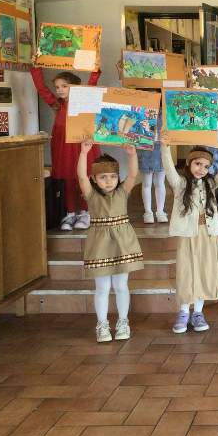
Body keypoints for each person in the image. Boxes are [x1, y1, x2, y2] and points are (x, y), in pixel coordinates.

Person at [160, 136, 218, 334]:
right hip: (188, 236)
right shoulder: (180, 184)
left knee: (204, 271)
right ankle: (183, 312)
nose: (201, 169)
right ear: (189, 163)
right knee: (186, 272)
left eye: (206, 166)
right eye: (198, 164)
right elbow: (168, 167)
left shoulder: (211, 184)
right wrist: (165, 146)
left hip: (208, 235)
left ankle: (198, 313)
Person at [76, 143, 143, 343]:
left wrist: (132, 154)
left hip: (123, 243)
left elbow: (133, 174)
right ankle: (102, 324)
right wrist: (84, 153)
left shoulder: (122, 191)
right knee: (102, 287)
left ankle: (123, 322)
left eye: (113, 176)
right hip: (100, 245)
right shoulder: (91, 194)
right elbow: (81, 176)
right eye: (103, 177)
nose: (108, 181)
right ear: (94, 179)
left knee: (121, 285)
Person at [31, 67, 101, 230]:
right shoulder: (57, 104)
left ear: (75, 86)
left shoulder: (84, 101)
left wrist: (95, 68)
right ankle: (70, 213)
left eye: (64, 86)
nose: (60, 90)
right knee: (67, 178)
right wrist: (35, 68)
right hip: (63, 147)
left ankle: (85, 212)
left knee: (83, 177)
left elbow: (92, 83)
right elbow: (42, 89)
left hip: (81, 146)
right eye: (57, 87)